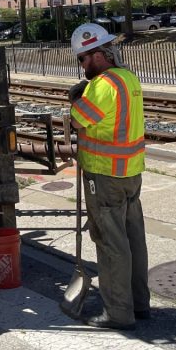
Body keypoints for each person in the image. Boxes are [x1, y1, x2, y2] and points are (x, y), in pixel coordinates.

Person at [66, 23, 150, 330]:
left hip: (105, 175)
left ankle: (118, 313)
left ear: (96, 55)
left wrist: (75, 99)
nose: (82, 67)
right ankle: (139, 304)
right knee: (133, 240)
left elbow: (79, 120)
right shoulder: (129, 78)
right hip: (130, 172)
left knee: (111, 243)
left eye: (82, 60)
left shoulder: (102, 85)